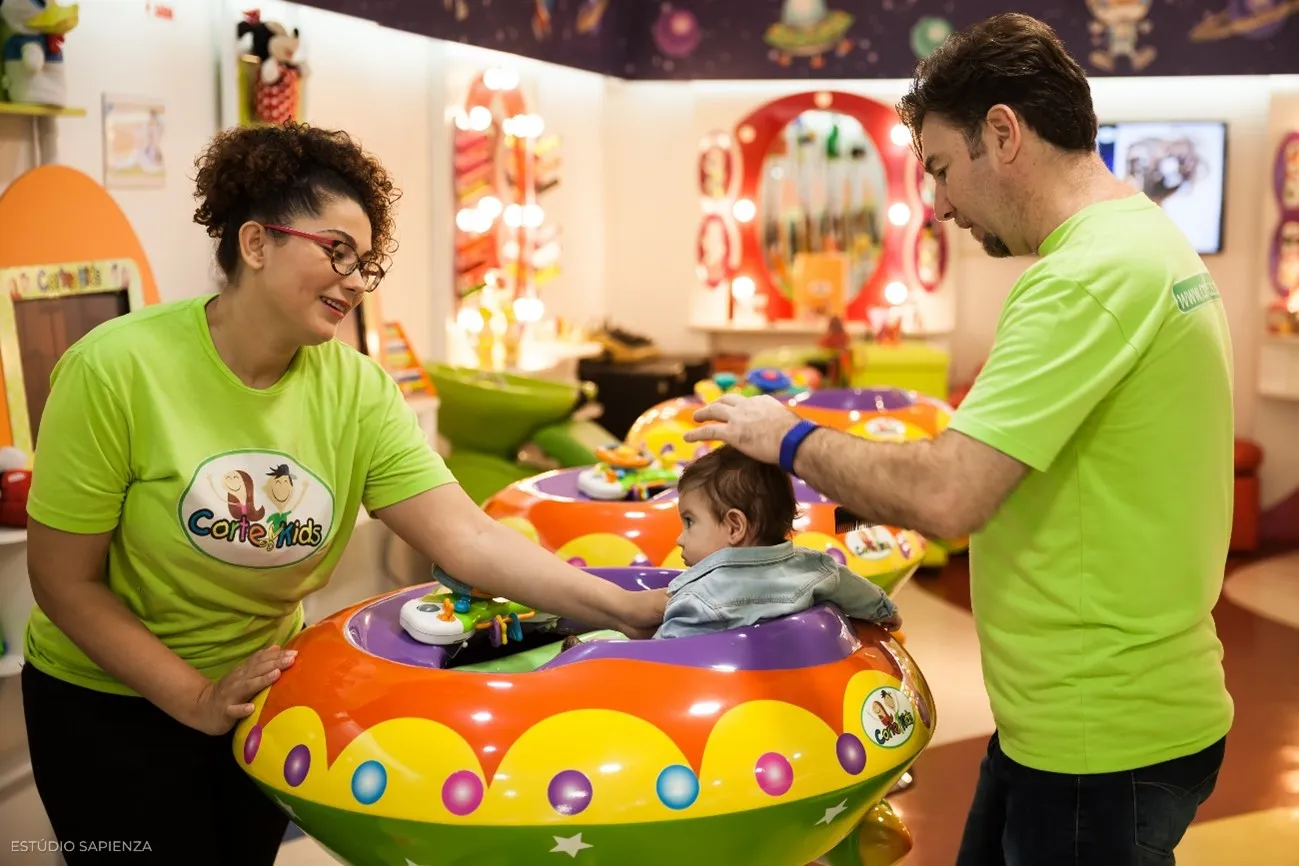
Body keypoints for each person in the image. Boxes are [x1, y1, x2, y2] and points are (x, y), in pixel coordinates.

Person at [20, 122, 665, 865]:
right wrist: (192, 697)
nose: (356, 280)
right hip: (107, 707)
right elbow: (63, 582)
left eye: (366, 263)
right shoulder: (114, 369)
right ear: (256, 244)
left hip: (255, 695)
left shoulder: (356, 389)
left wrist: (628, 609)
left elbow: (471, 539)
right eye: (336, 253)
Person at [684, 13, 1232, 866]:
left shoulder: (1081, 277)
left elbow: (950, 494)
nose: (937, 204)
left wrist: (786, 437)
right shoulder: (1143, 239)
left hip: (1099, 735)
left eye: (941, 167)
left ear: (1003, 133)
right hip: (1086, 716)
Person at [654, 445, 900, 639]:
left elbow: (664, 658)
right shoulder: (815, 567)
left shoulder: (699, 599)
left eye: (689, 522)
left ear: (735, 527)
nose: (680, 538)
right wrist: (885, 611)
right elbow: (856, 591)